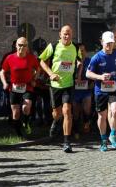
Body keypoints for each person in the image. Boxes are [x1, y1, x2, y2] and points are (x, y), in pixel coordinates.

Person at [39, 25, 80, 153]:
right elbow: (41, 61)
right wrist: (51, 74)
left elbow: (79, 60)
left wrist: (78, 72)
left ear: (72, 35)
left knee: (67, 111)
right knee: (57, 113)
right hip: (55, 85)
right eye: (64, 34)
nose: (67, 36)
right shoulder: (53, 46)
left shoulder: (76, 47)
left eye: (69, 34)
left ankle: (67, 142)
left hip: (68, 84)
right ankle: (56, 121)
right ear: (60, 34)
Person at [86, 31, 116, 152]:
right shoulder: (96, 57)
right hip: (100, 90)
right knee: (102, 116)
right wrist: (100, 77)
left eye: (111, 43)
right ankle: (103, 140)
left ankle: (112, 134)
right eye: (107, 43)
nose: (109, 45)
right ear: (102, 42)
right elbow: (88, 73)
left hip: (114, 88)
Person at [0, 36, 40, 136]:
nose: (22, 47)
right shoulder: (10, 58)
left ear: (27, 47)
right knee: (16, 113)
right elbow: (2, 72)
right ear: (16, 46)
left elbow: (38, 69)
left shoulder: (31, 58)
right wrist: (4, 83)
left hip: (27, 86)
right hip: (14, 87)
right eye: (20, 45)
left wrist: (34, 79)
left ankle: (26, 122)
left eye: (24, 45)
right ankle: (18, 134)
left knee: (26, 107)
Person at [72, 43, 92, 137]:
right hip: (75, 90)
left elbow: (95, 73)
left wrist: (92, 83)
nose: (81, 52)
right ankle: (76, 129)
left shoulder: (90, 61)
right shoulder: (72, 61)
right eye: (79, 51)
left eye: (83, 50)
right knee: (76, 111)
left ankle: (86, 122)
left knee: (86, 109)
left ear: (86, 52)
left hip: (87, 90)